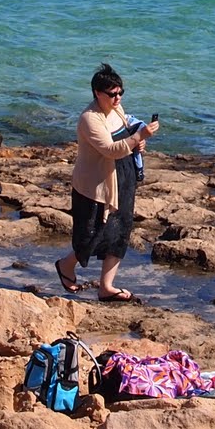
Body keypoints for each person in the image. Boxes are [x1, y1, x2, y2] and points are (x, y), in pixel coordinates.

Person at [54, 63, 159, 302]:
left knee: (120, 230)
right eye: (112, 94)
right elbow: (110, 150)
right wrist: (139, 137)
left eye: (120, 92)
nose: (117, 98)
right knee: (93, 233)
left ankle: (106, 286)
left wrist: (139, 142)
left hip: (123, 176)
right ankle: (65, 265)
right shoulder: (90, 119)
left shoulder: (117, 110)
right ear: (97, 93)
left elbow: (127, 134)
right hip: (96, 185)